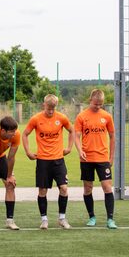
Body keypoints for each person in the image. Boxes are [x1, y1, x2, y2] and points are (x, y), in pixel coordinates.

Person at [22, 94, 74, 230]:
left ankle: (62, 218)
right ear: (44, 105)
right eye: (49, 108)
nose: (51, 111)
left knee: (63, 188)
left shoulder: (61, 118)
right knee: (43, 190)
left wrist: (69, 147)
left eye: (53, 108)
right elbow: (25, 134)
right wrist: (28, 152)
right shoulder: (36, 119)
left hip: (58, 160)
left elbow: (72, 130)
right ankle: (44, 219)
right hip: (43, 160)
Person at [74, 89, 117, 229]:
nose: (98, 106)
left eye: (100, 104)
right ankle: (91, 217)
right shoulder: (81, 116)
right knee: (88, 188)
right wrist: (80, 150)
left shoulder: (107, 116)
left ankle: (110, 219)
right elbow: (76, 136)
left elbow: (112, 137)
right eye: (96, 104)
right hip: (86, 158)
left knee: (107, 187)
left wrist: (111, 156)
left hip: (102, 158)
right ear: (90, 100)